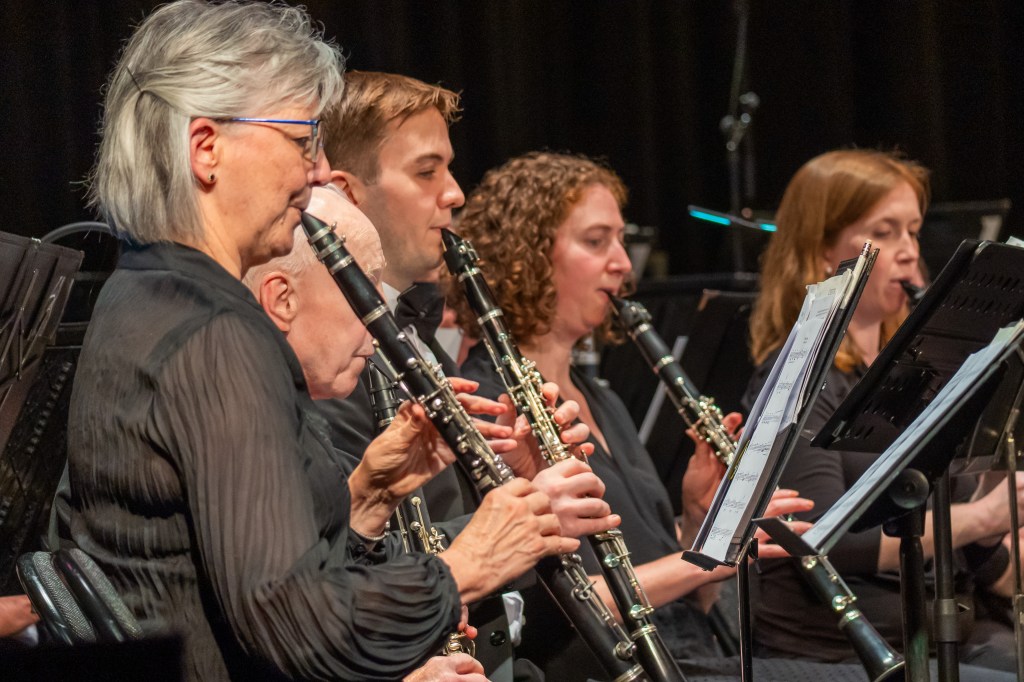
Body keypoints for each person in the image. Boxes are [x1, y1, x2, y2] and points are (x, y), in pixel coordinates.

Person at [67, 4, 581, 679]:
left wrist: (365, 497)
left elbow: (221, 563)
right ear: (206, 149)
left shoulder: (139, 292)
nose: (317, 174)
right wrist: (465, 565)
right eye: (301, 140)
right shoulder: (213, 333)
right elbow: (292, 625)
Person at [447, 151, 886, 682]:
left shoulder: (601, 398)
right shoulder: (491, 404)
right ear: (527, 256)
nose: (623, 264)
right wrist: (708, 555)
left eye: (619, 240)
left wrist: (699, 519)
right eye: (596, 241)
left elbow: (686, 603)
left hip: (687, 656)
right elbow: (553, 608)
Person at [316, 71, 618, 679]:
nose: (455, 194)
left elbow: (431, 517)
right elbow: (344, 562)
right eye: (427, 172)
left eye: (449, 170)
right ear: (347, 193)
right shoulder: (328, 355)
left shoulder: (417, 338)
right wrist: (530, 514)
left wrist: (516, 479)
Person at [744, 148, 1022, 673]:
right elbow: (825, 539)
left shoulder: (922, 376)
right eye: (885, 232)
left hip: (946, 635)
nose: (909, 252)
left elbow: (971, 548)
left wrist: (991, 517)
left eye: (912, 232)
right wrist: (983, 517)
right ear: (823, 251)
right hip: (837, 654)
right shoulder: (798, 380)